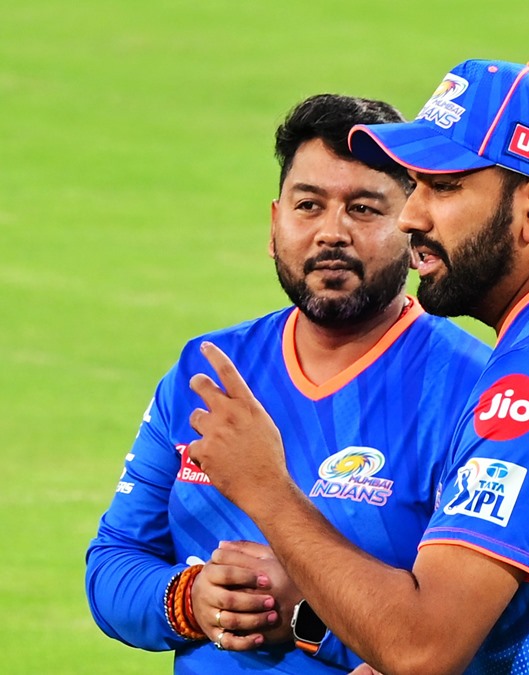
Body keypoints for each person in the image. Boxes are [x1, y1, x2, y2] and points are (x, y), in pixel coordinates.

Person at [184, 59, 529, 674]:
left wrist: (268, 490)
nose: (411, 216)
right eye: (415, 185)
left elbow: (423, 648)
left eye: (445, 187)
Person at [84, 93, 492, 673]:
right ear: (274, 225)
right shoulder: (208, 370)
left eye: (363, 209)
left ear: (411, 229)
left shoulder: (475, 394)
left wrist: (305, 616)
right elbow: (114, 562)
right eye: (308, 206)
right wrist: (191, 600)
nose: (332, 233)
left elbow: (478, 639)